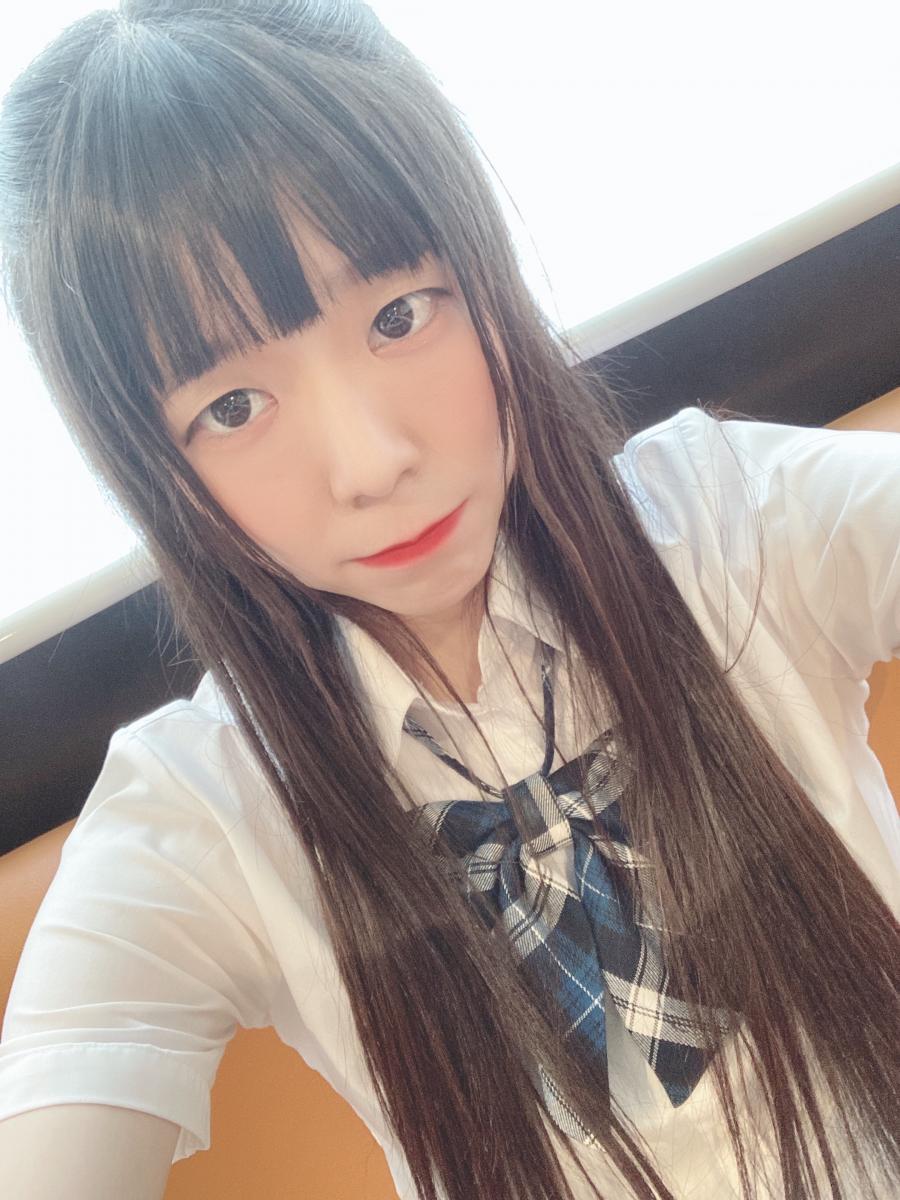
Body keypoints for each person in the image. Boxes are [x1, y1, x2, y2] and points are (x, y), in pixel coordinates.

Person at [0, 2, 897, 1198]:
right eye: (231, 407)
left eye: (398, 315)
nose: (372, 463)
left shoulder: (733, 529)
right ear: (153, 467)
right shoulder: (207, 812)